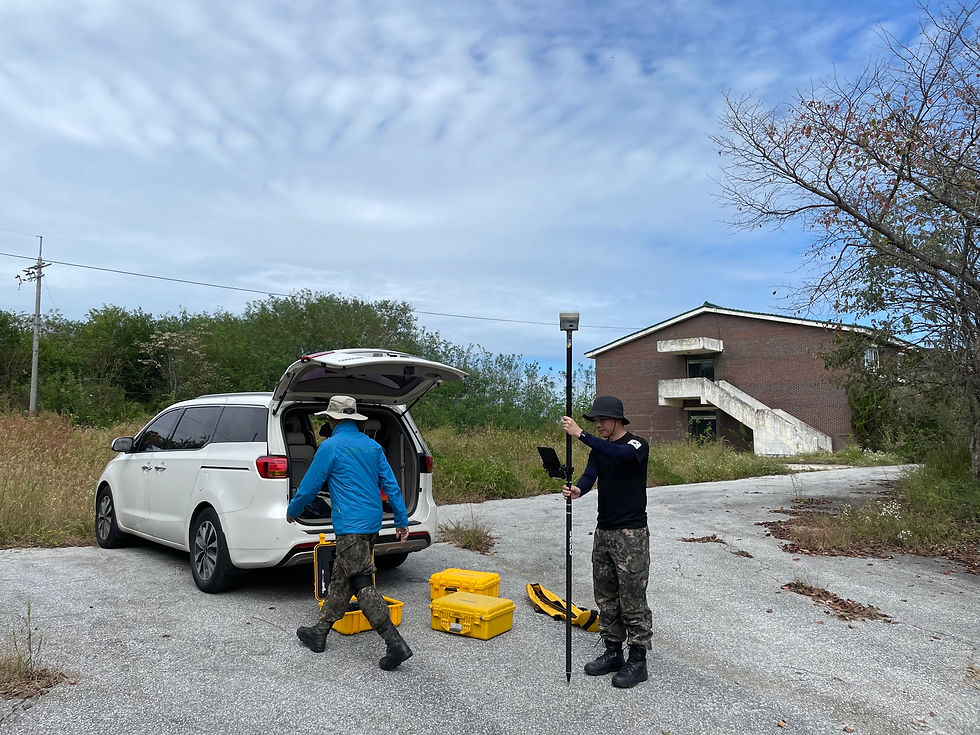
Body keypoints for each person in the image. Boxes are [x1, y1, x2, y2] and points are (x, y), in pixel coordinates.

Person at [287, 395, 413, 671]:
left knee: (361, 582)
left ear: (332, 419)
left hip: (350, 526)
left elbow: (309, 487)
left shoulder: (329, 447)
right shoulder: (373, 446)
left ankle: (395, 643)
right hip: (371, 524)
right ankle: (319, 633)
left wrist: (293, 510)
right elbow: (391, 485)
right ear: (353, 419)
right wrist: (401, 519)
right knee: (341, 577)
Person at [560, 395, 652, 689]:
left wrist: (581, 434)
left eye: (602, 420)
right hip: (604, 531)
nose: (598, 425)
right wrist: (579, 489)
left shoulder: (636, 445)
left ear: (617, 419)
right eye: (594, 421)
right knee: (606, 596)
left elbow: (619, 455)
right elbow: (591, 474)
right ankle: (613, 651)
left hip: (631, 535)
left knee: (632, 599)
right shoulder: (599, 449)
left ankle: (637, 659)